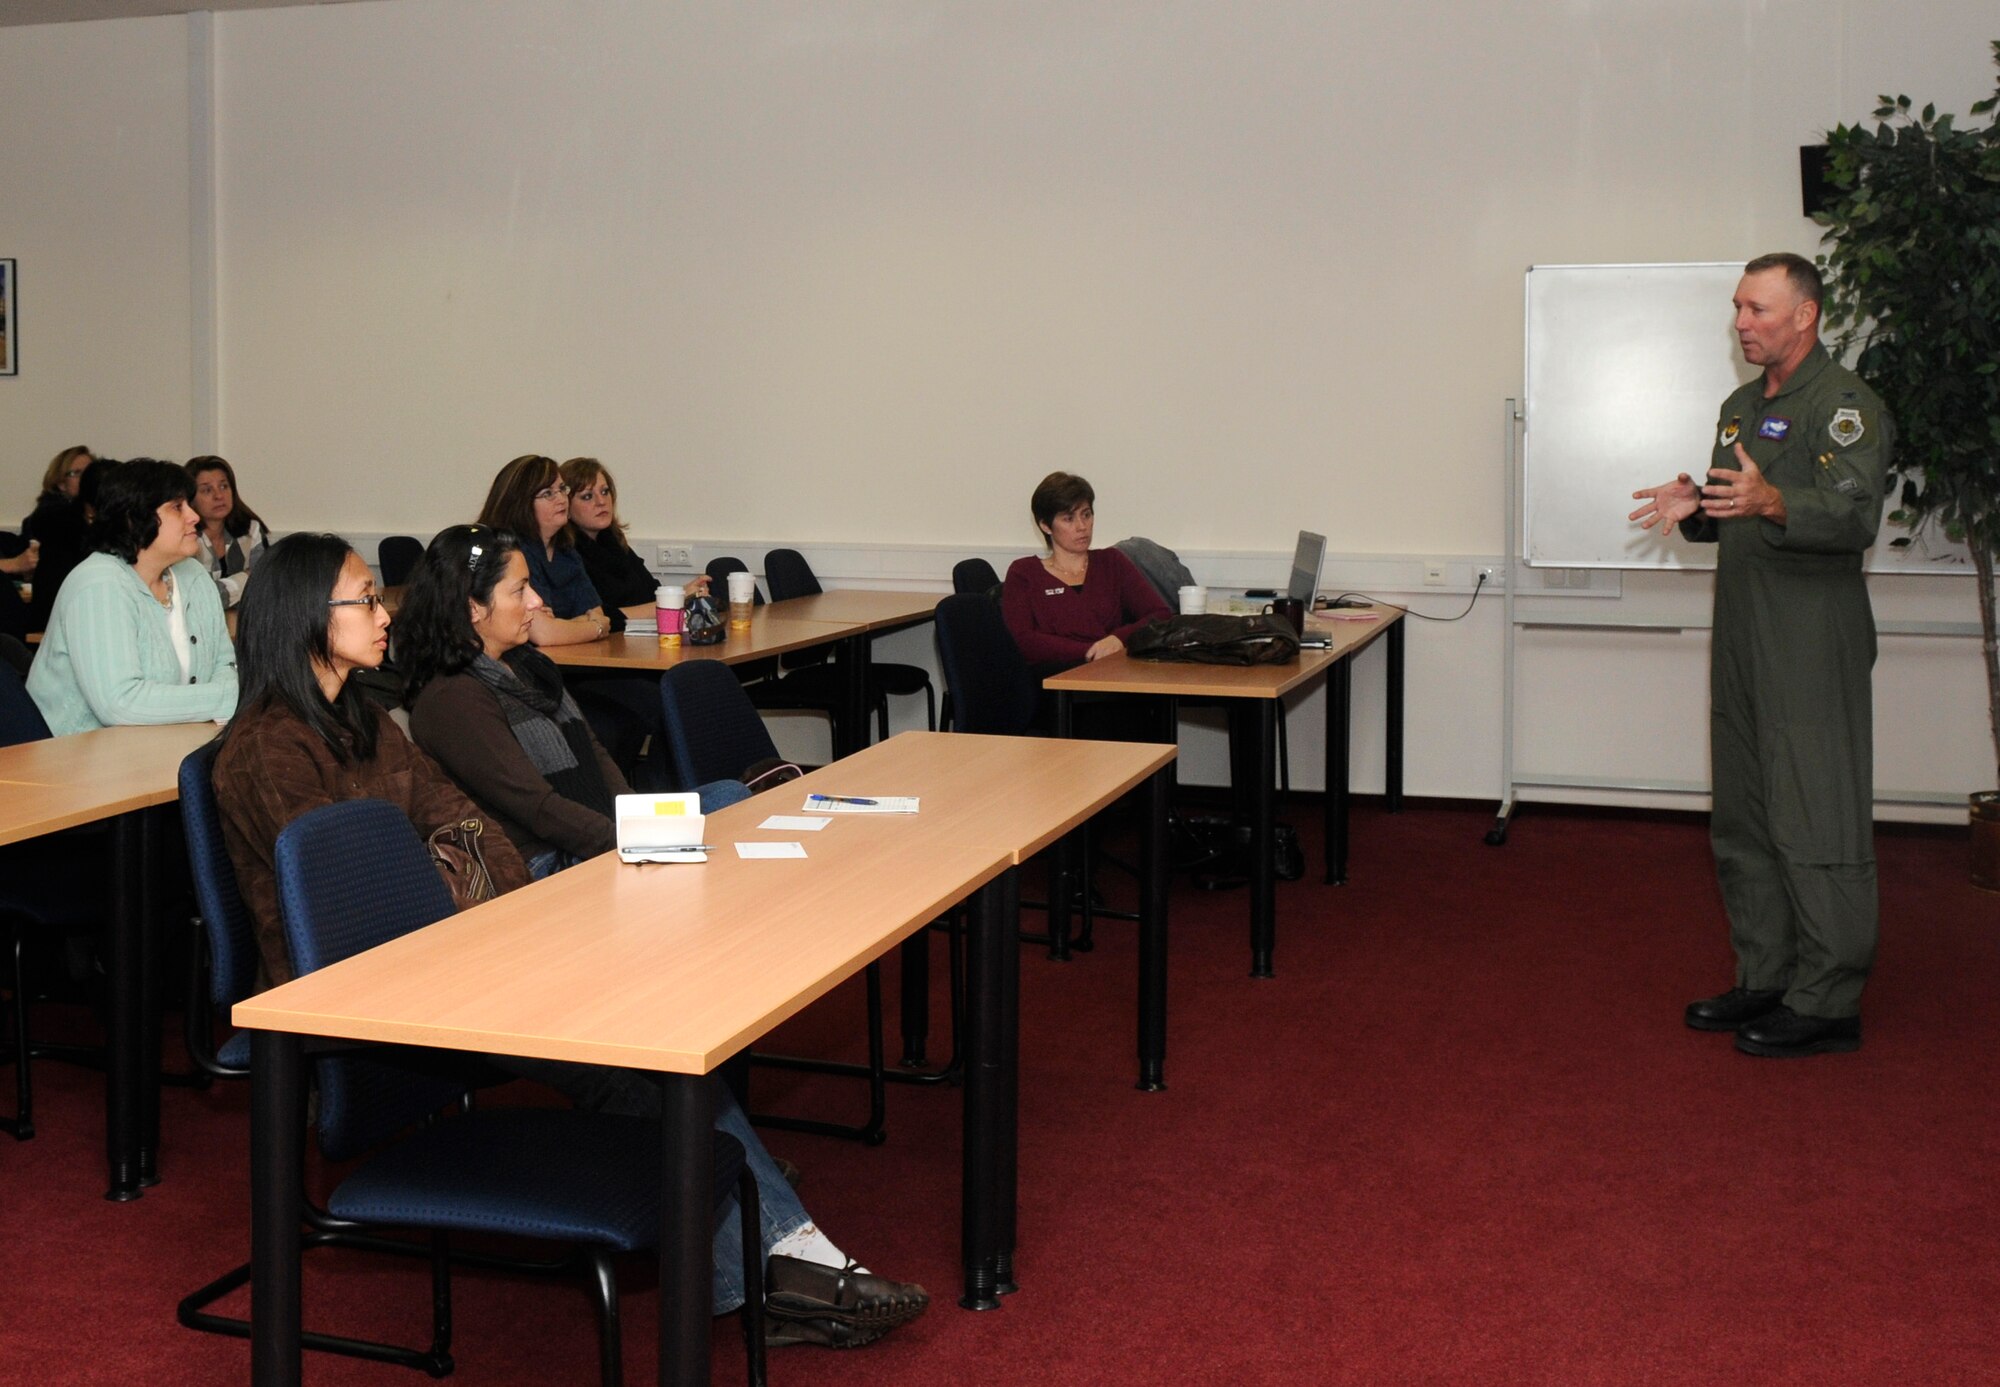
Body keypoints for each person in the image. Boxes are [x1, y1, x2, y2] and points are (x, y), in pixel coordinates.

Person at [213, 532, 927, 1346]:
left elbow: (467, 820)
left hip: (451, 963)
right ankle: (774, 1249)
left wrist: (442, 871)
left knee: (656, 1050)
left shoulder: (369, 722)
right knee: (640, 1061)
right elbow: (349, 891)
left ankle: (768, 1249)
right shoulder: (265, 750)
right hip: (364, 1012)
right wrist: (442, 871)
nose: (385, 615)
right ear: (306, 618)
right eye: (366, 599)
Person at [1628, 251, 1893, 1058]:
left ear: (1805, 315)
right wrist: (1699, 507)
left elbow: (1853, 519)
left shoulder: (1846, 405)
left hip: (1812, 637)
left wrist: (1777, 499)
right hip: (1745, 629)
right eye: (1738, 308)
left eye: (1759, 310)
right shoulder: (1741, 405)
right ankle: (1767, 972)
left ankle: (1829, 996)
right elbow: (1738, 503)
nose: (1742, 323)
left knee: (1816, 807)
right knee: (1746, 809)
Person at [396, 523, 739, 876]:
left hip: (600, 831)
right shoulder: (453, 700)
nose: (537, 601)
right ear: (473, 608)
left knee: (730, 796)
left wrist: (636, 819)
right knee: (720, 827)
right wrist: (629, 841)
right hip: (544, 858)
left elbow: (595, 753)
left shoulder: (529, 666)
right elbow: (537, 808)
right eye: (520, 590)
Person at [479, 454, 667, 786]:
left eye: (562, 489)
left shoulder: (566, 550)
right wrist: (585, 625)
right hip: (530, 676)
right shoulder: (512, 551)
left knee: (663, 699)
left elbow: (599, 615)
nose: (561, 498)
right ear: (521, 502)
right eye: (548, 493)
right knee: (642, 707)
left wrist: (579, 624)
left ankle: (647, 795)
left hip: (578, 668)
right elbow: (545, 633)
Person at [26, 458, 238, 735]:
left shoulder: (194, 576)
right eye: (177, 507)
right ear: (133, 518)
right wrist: (227, 698)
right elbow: (120, 702)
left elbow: (225, 663)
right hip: (71, 761)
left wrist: (226, 693)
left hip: (164, 746)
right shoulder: (98, 584)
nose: (194, 516)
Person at [1001, 470, 1170, 675]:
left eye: (1086, 515)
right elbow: (1022, 640)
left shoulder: (1111, 562)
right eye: (1069, 519)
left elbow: (1159, 614)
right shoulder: (1024, 573)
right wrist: (1091, 651)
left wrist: (1117, 639)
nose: (1082, 527)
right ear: (1046, 526)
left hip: (1115, 676)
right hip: (1056, 682)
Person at [559, 455, 708, 625]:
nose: (601, 502)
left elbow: (651, 592)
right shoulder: (566, 554)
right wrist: (673, 601)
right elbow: (599, 617)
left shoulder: (613, 542)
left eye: (605, 492)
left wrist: (686, 593)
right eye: (587, 496)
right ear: (566, 506)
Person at [19, 445, 93, 633]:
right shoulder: (52, 518)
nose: (85, 479)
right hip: (58, 621)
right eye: (76, 473)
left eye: (89, 472)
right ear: (61, 483)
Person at [185, 455, 272, 608]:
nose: (219, 496)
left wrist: (218, 589)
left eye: (224, 486)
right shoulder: (185, 538)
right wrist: (245, 577)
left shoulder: (250, 530)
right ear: (190, 499)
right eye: (206, 490)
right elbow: (195, 599)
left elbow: (265, 584)